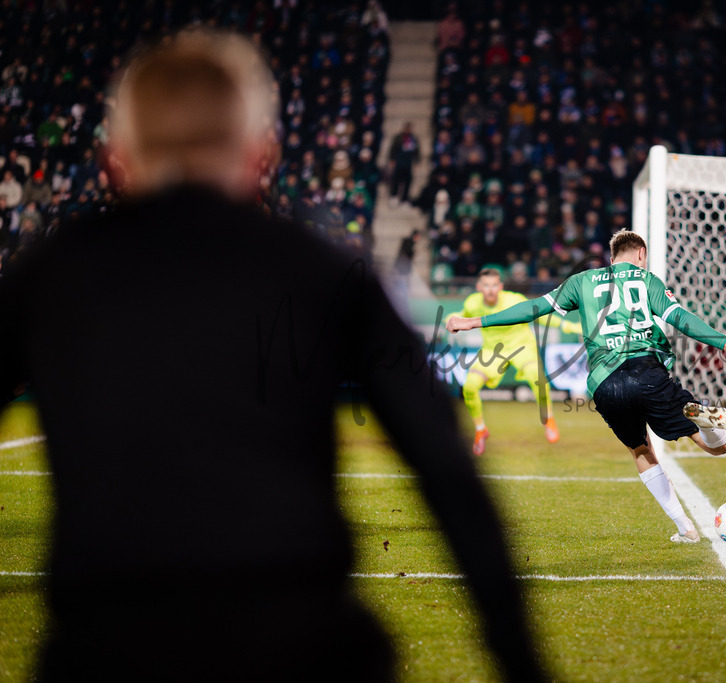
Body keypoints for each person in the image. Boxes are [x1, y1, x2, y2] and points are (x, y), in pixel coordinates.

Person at [0, 30, 547, 682]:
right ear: (263, 153)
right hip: (301, 643)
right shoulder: (324, 271)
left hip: (102, 649)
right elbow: (445, 466)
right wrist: (518, 656)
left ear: (114, 156)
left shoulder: (47, 275)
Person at [448, 230, 726, 543]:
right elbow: (681, 318)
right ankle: (705, 421)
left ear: (611, 259)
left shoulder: (581, 281)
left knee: (640, 449)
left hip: (605, 383)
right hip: (647, 371)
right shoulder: (646, 280)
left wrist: (474, 322)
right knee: (720, 447)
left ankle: (685, 529)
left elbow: (533, 309)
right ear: (642, 254)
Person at [448, 268, 582, 455]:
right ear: (479, 287)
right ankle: (481, 430)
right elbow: (462, 314)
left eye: (494, 285)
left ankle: (548, 418)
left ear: (500, 286)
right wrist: (450, 319)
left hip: (521, 347)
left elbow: (540, 315)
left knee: (538, 381)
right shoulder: (473, 303)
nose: (491, 289)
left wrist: (568, 326)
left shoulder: (514, 299)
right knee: (469, 386)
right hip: (493, 352)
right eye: (486, 285)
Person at [386, 121, 420, 206]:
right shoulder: (398, 138)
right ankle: (394, 196)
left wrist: (417, 161)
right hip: (399, 162)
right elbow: (392, 149)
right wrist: (391, 159)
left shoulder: (414, 139)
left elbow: (417, 151)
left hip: (408, 163)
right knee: (396, 180)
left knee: (408, 181)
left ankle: (404, 198)